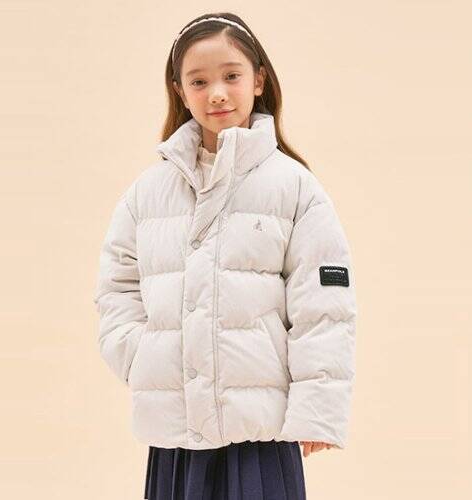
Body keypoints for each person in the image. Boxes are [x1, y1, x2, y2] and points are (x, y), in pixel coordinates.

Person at [93, 12, 357, 500]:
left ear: (258, 80)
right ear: (180, 91)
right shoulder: (147, 193)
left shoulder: (294, 187)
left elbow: (323, 306)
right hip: (176, 436)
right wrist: (142, 358)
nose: (216, 93)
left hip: (261, 435)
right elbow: (116, 288)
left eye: (231, 76)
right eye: (199, 81)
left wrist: (318, 406)